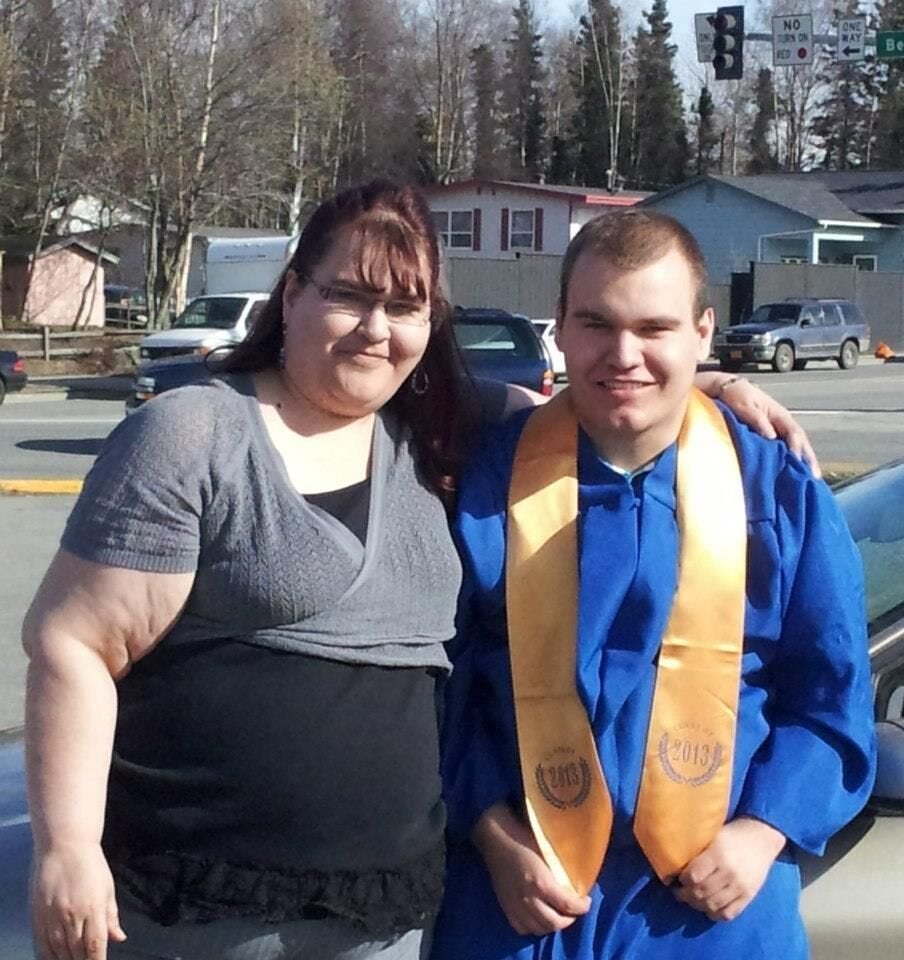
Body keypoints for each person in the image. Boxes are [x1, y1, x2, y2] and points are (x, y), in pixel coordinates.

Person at [23, 179, 820, 960]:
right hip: (199, 911)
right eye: (349, 296)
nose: (376, 329)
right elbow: (73, 643)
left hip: (383, 921)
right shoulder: (195, 433)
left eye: (404, 307)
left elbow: (614, 391)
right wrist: (68, 846)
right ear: (291, 293)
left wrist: (701, 384)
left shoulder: (438, 433)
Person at [431, 210, 877, 960]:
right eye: (596, 323)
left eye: (654, 328)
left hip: (709, 910)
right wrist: (493, 835)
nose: (623, 354)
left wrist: (762, 834)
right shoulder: (485, 483)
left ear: (703, 333)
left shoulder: (776, 491)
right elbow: (435, 686)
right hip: (519, 901)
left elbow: (831, 697)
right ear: (561, 329)